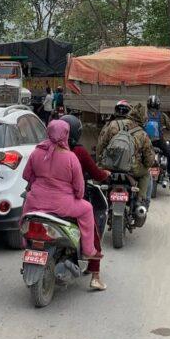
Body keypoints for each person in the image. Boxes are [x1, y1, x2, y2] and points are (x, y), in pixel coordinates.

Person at [22, 119, 99, 259]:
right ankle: (88, 250)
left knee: (24, 216)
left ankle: (24, 242)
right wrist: (78, 196)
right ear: (66, 134)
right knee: (87, 208)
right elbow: (79, 188)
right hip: (62, 205)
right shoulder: (71, 157)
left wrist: (37, 186)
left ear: (48, 132)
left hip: (35, 202)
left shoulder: (36, 152)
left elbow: (27, 175)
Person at [63, 115, 109, 291]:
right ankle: (95, 274)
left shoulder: (44, 150)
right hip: (70, 201)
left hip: (42, 202)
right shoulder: (78, 153)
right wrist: (105, 174)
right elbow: (95, 173)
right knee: (92, 227)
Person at [97, 100, 156, 205]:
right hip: (132, 168)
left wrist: (100, 161)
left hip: (109, 165)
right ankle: (141, 200)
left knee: (96, 174)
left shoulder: (112, 125)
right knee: (146, 174)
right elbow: (149, 160)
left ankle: (97, 198)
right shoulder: (142, 133)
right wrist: (145, 164)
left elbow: (100, 145)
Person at [144, 95, 170, 196]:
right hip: (159, 142)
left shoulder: (144, 115)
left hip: (145, 143)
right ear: (158, 105)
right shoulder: (162, 115)